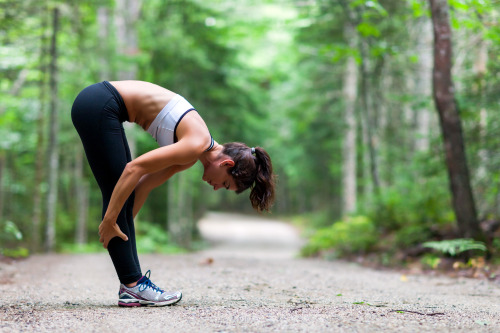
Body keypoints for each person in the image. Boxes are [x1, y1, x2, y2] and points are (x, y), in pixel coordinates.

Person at [71, 80, 275, 307]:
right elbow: (134, 169)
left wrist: (124, 225)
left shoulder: (190, 155)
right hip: (100, 102)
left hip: (100, 104)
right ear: (226, 163)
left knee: (121, 193)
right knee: (117, 187)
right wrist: (110, 219)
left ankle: (132, 286)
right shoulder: (195, 144)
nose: (217, 188)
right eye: (225, 184)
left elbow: (143, 185)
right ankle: (133, 286)